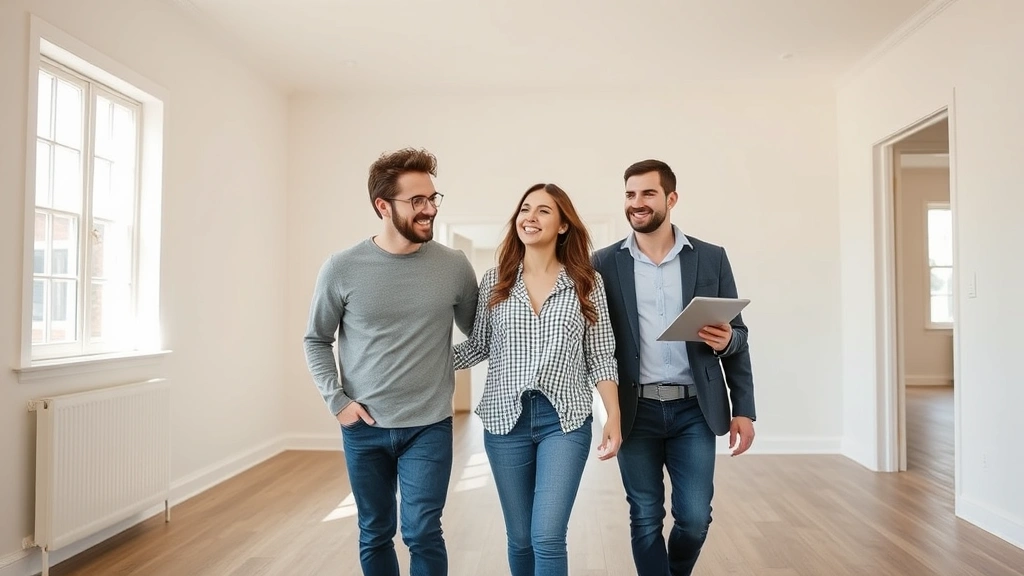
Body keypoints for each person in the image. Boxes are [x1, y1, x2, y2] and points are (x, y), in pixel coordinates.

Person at [303, 147, 478, 576]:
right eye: (416, 201)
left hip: (429, 425)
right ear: (383, 205)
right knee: (375, 530)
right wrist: (338, 402)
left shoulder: (453, 266)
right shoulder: (341, 268)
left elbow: (483, 335)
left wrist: (435, 362)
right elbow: (316, 340)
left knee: (422, 530)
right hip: (365, 427)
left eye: (433, 199)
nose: (429, 210)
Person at [592, 159, 756, 576]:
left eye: (647, 193)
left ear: (671, 198)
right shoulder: (603, 263)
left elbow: (738, 336)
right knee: (645, 516)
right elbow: (593, 342)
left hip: (694, 411)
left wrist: (744, 408)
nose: (637, 203)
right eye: (630, 194)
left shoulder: (711, 258)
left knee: (695, 518)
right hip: (636, 410)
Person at [453, 182, 621, 576]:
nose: (530, 217)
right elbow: (478, 346)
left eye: (544, 210)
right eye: (525, 209)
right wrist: (418, 361)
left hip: (563, 421)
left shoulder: (586, 282)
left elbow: (600, 355)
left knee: (546, 535)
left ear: (563, 225)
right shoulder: (496, 280)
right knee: (521, 539)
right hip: (504, 421)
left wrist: (612, 415)